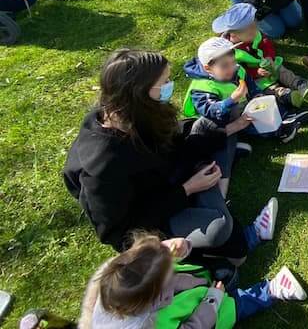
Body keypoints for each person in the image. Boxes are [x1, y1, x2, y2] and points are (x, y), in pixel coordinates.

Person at [63, 49, 277, 264]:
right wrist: (188, 189)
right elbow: (119, 232)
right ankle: (222, 201)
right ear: (140, 91)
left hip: (167, 175)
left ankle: (217, 180)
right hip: (154, 210)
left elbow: (172, 144)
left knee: (210, 125)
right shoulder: (104, 165)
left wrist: (227, 129)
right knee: (220, 229)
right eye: (164, 82)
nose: (169, 86)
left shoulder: (137, 112)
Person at [79, 233, 306, 329]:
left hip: (172, 300)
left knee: (211, 274)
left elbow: (157, 257)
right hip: (192, 319)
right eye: (171, 279)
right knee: (228, 308)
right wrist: (211, 303)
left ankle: (252, 235)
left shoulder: (126, 272)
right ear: (160, 298)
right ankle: (269, 291)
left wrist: (175, 248)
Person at [182, 37, 308, 144]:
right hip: (222, 121)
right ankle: (282, 132)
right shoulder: (203, 88)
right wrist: (232, 100)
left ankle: (286, 117)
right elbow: (211, 111)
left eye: (233, 62)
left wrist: (257, 95)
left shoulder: (237, 69)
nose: (232, 68)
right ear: (208, 68)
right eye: (225, 66)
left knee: (268, 103)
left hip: (244, 108)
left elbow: (252, 86)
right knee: (252, 125)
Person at [213, 2, 308, 106]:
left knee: (281, 70)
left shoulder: (251, 32)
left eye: (255, 27)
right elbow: (238, 72)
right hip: (253, 78)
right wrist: (256, 72)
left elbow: (266, 44)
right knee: (266, 87)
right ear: (234, 35)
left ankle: (300, 84)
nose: (255, 32)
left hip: (266, 63)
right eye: (251, 32)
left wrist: (269, 56)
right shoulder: (228, 53)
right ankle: (286, 96)